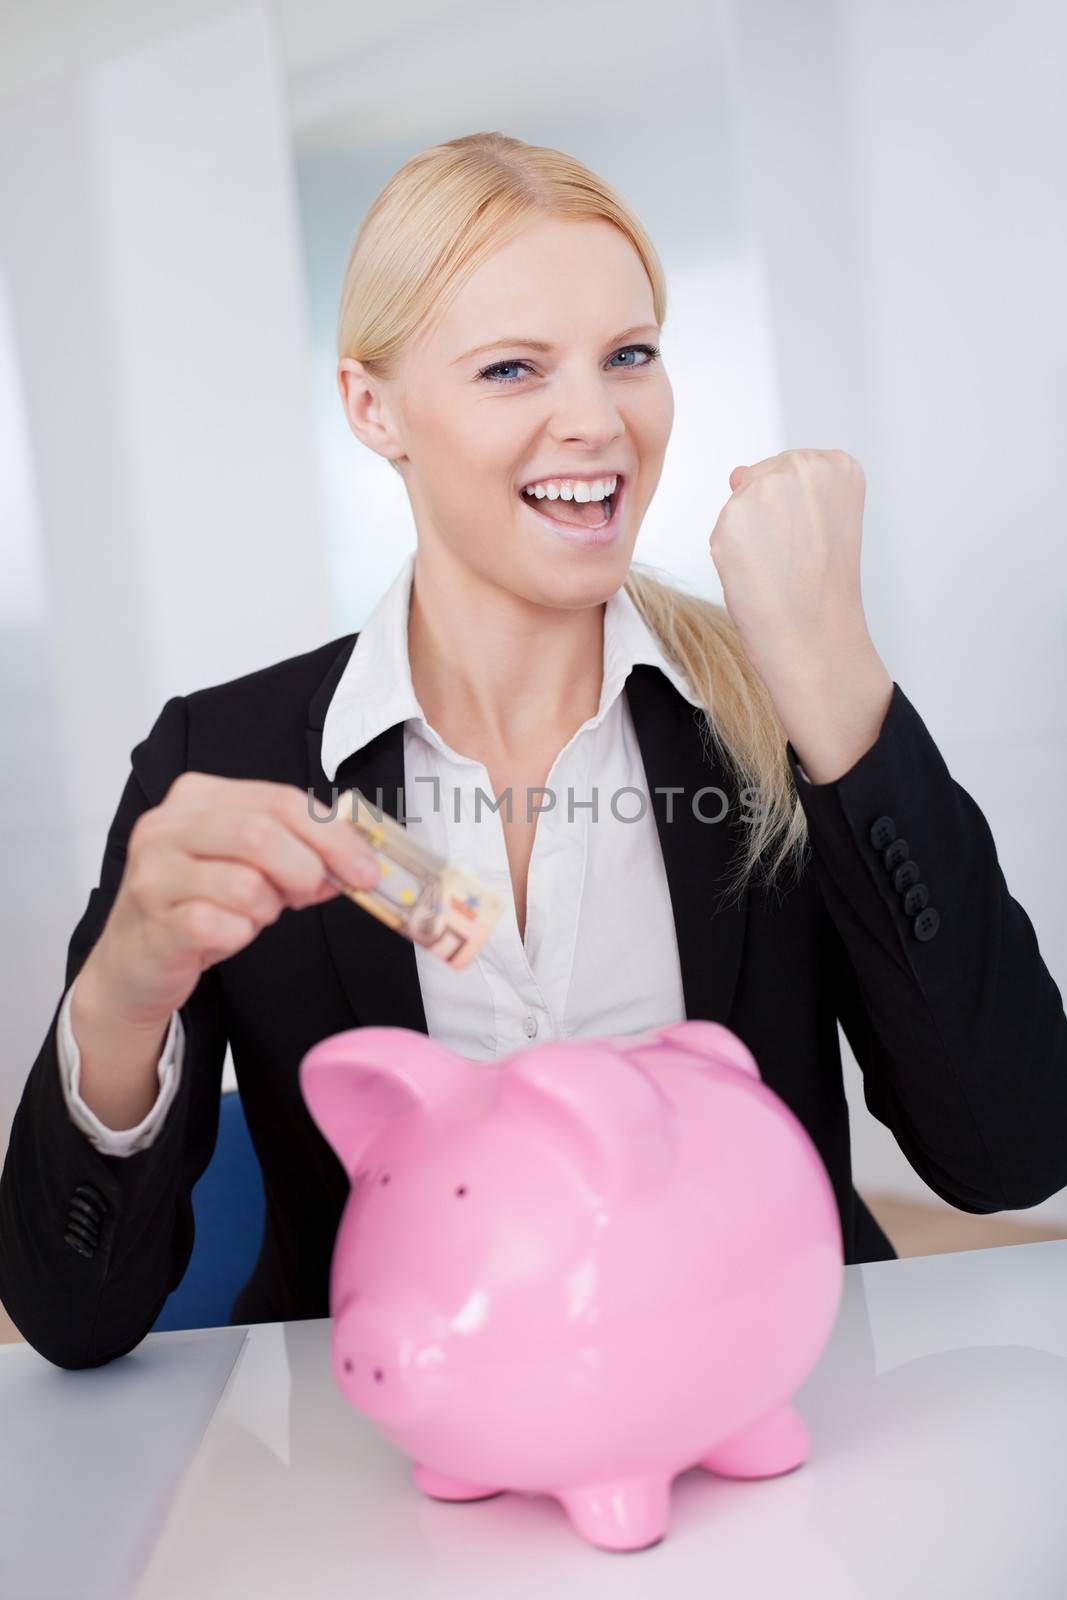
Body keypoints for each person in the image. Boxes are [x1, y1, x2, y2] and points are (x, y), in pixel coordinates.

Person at [2, 131, 1065, 1371]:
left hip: (771, 1425)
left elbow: (1011, 1151)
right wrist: (126, 991)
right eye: (512, 369)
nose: (595, 420)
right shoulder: (232, 757)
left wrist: (830, 672)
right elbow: (68, 1316)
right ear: (371, 406)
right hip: (399, 1480)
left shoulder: (777, 709)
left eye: (628, 354)